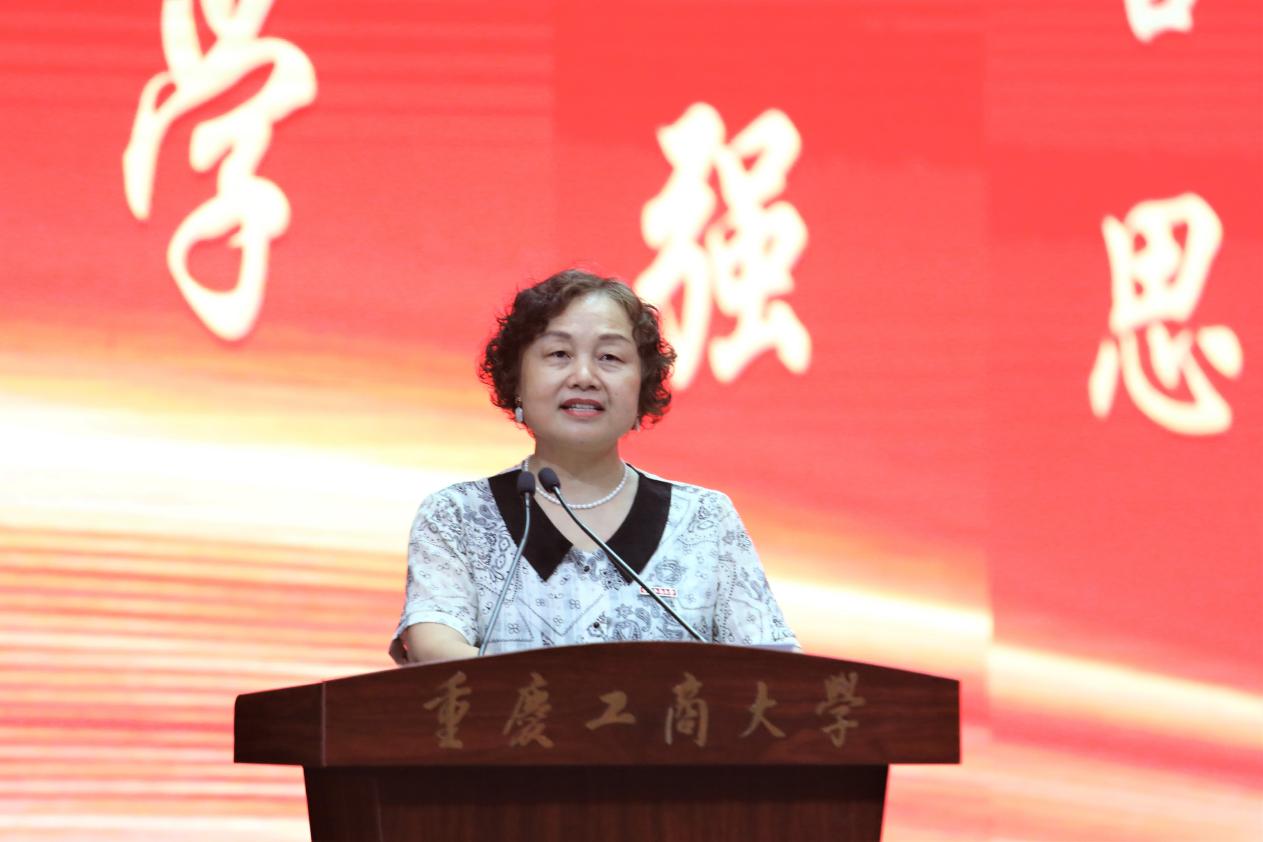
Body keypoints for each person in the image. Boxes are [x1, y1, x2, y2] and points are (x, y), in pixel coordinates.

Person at [390, 269, 798, 664]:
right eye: (559, 354)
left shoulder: (705, 520)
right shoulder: (458, 515)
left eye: (609, 357)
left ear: (642, 385)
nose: (584, 376)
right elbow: (434, 647)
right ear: (517, 380)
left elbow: (774, 670)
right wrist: (568, 694)